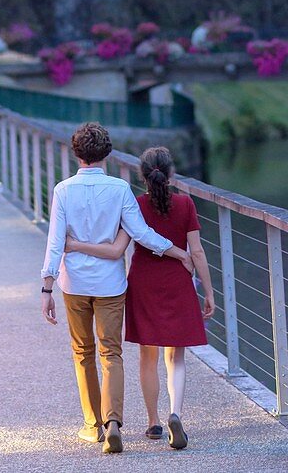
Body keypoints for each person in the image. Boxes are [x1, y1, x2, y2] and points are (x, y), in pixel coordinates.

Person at [40, 122, 194, 455]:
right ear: (107, 154)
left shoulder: (63, 190)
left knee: (83, 353)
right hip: (110, 284)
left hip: (74, 283)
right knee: (112, 353)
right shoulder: (120, 189)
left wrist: (46, 286)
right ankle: (113, 423)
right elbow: (141, 234)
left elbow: (55, 241)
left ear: (76, 153)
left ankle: (92, 426)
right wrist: (178, 251)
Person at [66, 146, 215, 451]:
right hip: (177, 281)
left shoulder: (135, 205)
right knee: (176, 357)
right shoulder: (185, 204)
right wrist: (209, 291)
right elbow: (196, 251)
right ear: (171, 174)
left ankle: (154, 422)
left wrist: (77, 245)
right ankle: (176, 414)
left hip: (144, 282)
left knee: (148, 356)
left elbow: (122, 244)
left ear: (143, 176)